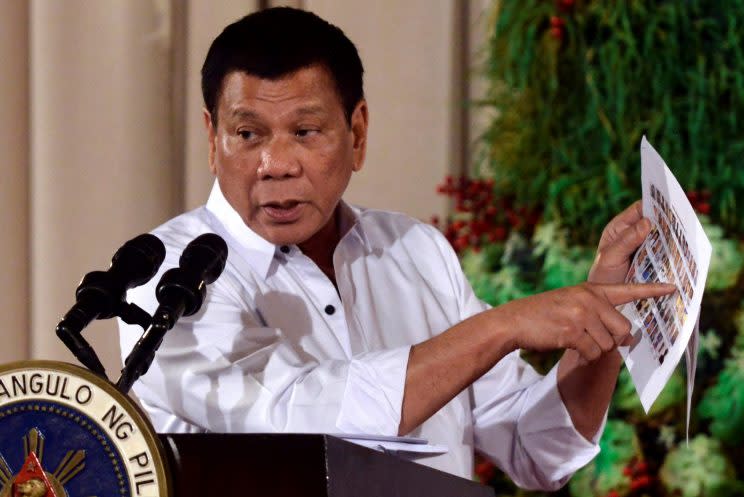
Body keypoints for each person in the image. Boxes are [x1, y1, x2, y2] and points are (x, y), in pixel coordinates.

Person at [118, 7, 673, 490]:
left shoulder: (414, 251)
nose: (276, 164)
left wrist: (603, 313)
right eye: (248, 134)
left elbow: (538, 451)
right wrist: (500, 327)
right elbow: (292, 426)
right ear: (212, 139)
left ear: (357, 133)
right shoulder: (167, 275)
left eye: (306, 132)